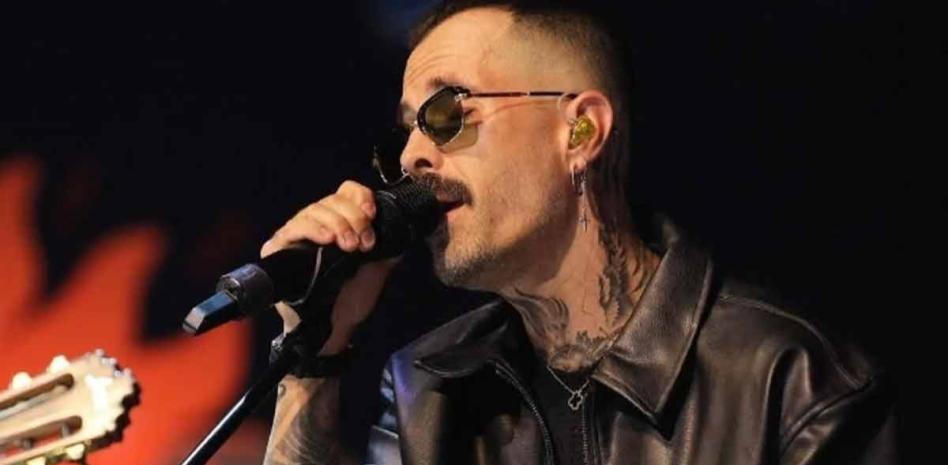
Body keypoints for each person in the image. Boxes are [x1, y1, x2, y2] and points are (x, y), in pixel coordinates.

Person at [260, 1, 897, 464]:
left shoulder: (793, 382)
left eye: (448, 110)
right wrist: (314, 352)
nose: (410, 157)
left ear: (581, 130)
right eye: (406, 131)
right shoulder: (428, 393)